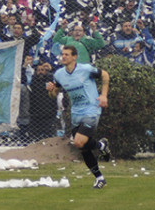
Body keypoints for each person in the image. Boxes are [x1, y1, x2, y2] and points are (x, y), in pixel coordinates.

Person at [46, 45, 111, 189]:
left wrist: (104, 95)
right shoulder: (59, 74)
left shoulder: (86, 69)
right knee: (82, 148)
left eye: (67, 54)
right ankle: (100, 176)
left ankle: (101, 147)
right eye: (62, 54)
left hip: (91, 109)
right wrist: (51, 90)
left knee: (79, 142)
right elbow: (54, 94)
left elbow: (105, 75)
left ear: (74, 57)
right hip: (76, 112)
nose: (63, 57)